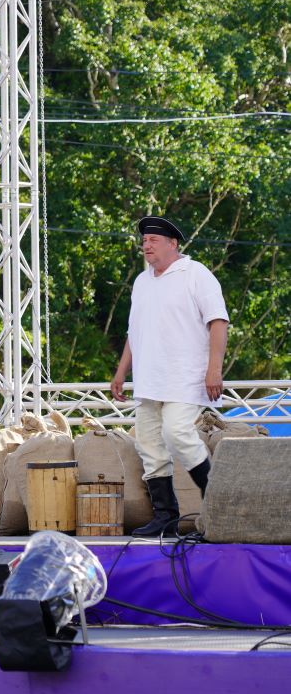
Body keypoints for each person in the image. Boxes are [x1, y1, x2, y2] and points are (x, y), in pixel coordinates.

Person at [110, 215, 228, 537]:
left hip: (185, 377)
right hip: (149, 380)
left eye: (153, 240)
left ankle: (219, 507)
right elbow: (134, 332)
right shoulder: (142, 281)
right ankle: (166, 516)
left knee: (177, 434)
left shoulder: (196, 274)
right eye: (144, 240)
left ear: (173, 244)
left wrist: (214, 369)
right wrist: (121, 371)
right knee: (149, 445)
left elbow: (218, 322)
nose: (146, 245)